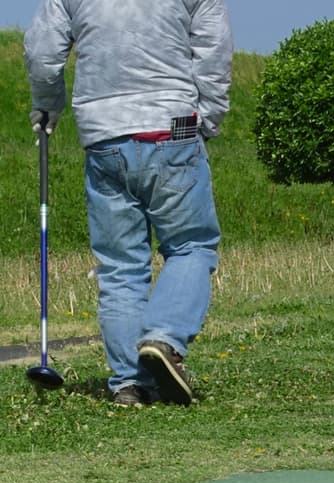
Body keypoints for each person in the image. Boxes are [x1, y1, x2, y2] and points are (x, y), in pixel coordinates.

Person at [24, 0, 233, 407]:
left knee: (120, 265)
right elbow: (213, 51)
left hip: (104, 137)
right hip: (173, 128)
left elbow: (43, 53)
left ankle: (128, 384)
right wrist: (207, 119)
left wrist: (48, 105)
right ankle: (165, 338)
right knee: (191, 246)